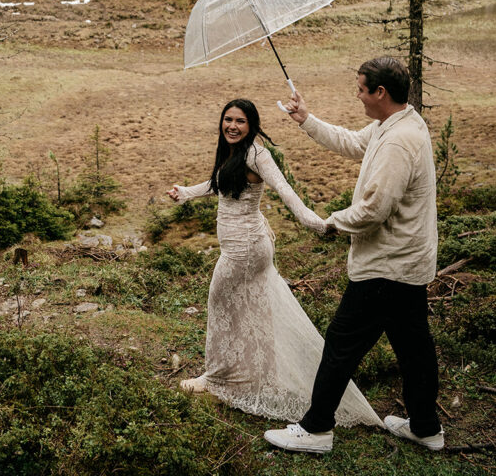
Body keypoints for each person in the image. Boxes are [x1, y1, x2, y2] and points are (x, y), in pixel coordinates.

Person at [264, 57, 443, 455]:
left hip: (386, 266)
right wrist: (306, 119)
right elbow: (352, 142)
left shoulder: (398, 141)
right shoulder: (395, 124)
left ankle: (316, 429)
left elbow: (374, 210)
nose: (357, 95)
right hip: (407, 262)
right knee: (415, 347)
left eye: (361, 89)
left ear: (380, 92)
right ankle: (426, 427)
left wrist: (330, 224)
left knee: (341, 344)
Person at [168, 97, 380, 428]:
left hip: (245, 250)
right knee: (251, 310)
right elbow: (222, 184)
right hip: (244, 247)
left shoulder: (257, 154)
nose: (232, 126)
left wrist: (319, 223)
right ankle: (252, 374)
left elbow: (286, 191)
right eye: (228, 120)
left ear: (251, 125)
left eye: (240, 121)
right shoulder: (233, 153)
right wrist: (186, 192)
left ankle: (216, 379)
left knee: (221, 305)